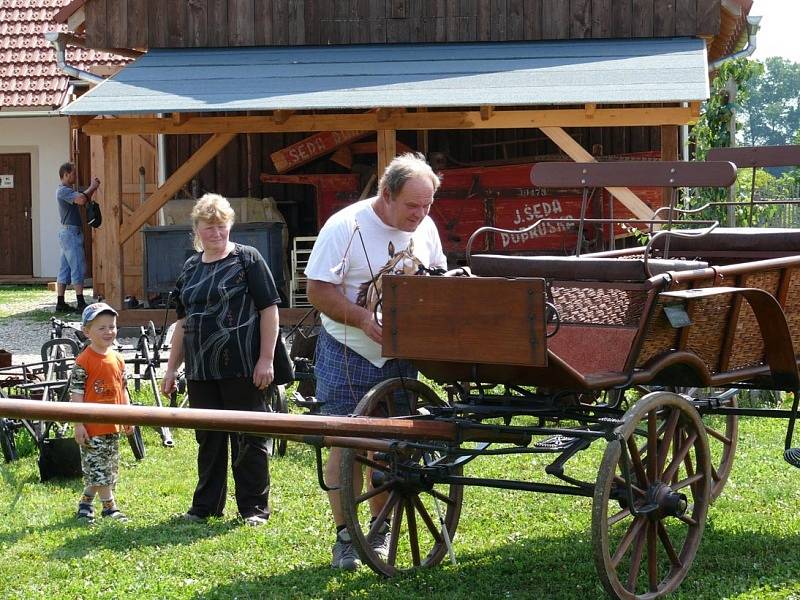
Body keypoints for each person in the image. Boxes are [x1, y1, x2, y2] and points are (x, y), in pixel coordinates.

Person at [304, 152, 447, 570]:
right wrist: (364, 318)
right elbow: (317, 290)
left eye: (427, 206)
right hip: (349, 349)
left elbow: (437, 282)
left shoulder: (427, 228)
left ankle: (379, 531)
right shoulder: (344, 226)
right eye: (412, 206)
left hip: (403, 355)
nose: (420, 215)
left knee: (390, 448)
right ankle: (347, 537)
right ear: (386, 194)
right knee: (345, 444)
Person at [161, 193, 281, 527]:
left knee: (249, 438)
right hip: (201, 370)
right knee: (209, 440)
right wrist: (172, 368)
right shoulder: (189, 267)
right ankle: (205, 507)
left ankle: (254, 509)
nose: (216, 233)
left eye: (221, 226)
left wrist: (266, 359)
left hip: (243, 364)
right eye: (209, 227)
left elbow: (269, 310)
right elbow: (183, 323)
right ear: (196, 229)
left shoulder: (248, 259)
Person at [70, 302, 131, 523]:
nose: (109, 332)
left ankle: (85, 504)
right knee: (99, 469)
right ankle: (109, 508)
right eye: (101, 328)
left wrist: (127, 415)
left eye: (112, 326)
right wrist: (79, 424)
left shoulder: (118, 358)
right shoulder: (84, 361)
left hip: (112, 425)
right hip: (91, 427)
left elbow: (122, 389)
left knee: (107, 469)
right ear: (87, 331)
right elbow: (76, 395)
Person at [56, 162, 100, 313]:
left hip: (66, 233)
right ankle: (80, 303)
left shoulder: (67, 191)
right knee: (78, 267)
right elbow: (81, 200)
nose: (75, 176)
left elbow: (83, 196)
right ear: (66, 174)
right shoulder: (63, 191)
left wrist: (90, 190)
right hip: (71, 233)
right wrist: (93, 187)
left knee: (65, 269)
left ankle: (60, 303)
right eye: (73, 173)